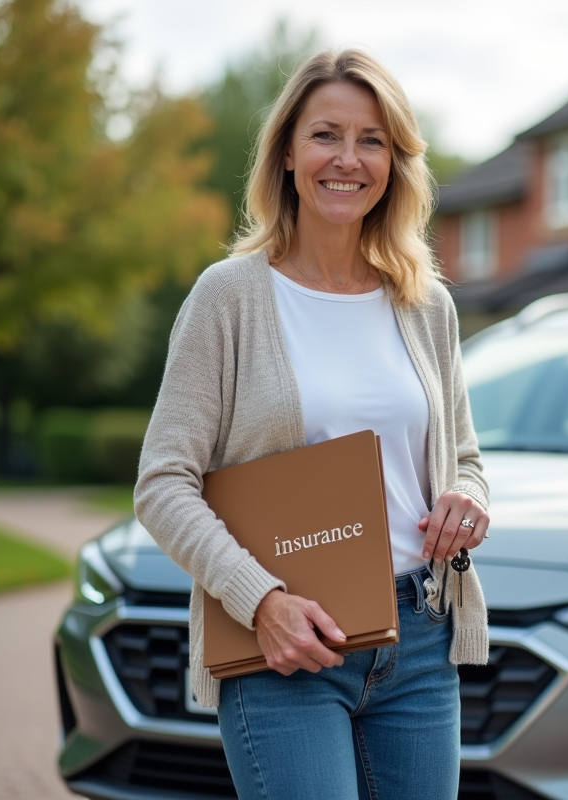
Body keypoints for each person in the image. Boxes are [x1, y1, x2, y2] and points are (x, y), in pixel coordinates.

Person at [134, 49, 490, 799]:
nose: (348, 160)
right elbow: (163, 484)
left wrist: (469, 500)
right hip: (283, 649)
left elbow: (463, 458)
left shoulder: (426, 304)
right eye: (327, 134)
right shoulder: (227, 298)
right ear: (288, 154)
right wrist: (259, 601)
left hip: (420, 644)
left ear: (395, 162)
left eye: (373, 141)